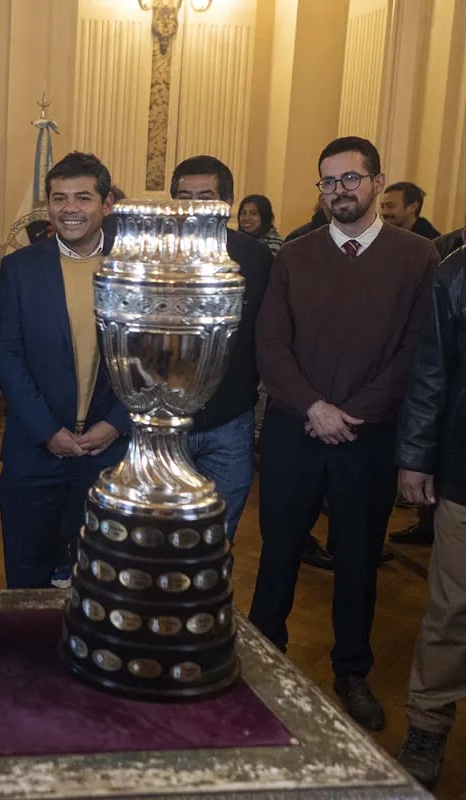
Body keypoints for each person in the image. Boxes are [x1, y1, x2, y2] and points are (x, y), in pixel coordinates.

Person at [250, 136, 438, 731]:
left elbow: (417, 350)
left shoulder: (417, 257)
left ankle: (352, 671)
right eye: (328, 182)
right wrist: (313, 406)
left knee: (357, 559)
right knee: (278, 550)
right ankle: (260, 660)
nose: (339, 191)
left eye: (351, 179)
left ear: (378, 183)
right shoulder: (295, 256)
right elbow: (270, 344)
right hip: (294, 430)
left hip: (369, 436)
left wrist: (352, 412)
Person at [0, 152, 129, 589]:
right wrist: (48, 432)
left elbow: (151, 360)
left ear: (107, 204)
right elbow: (8, 355)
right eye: (58, 198)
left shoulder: (136, 268)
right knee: (26, 573)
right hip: (35, 448)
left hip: (107, 451)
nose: (69, 208)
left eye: (83, 197)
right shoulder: (20, 268)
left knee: (102, 576)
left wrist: (115, 425)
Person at [392, 247, 466, 790]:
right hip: (464, 471)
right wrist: (416, 455)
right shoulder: (456, 272)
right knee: (452, 610)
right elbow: (431, 372)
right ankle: (429, 726)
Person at [170, 156, 272, 542]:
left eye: (205, 196)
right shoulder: (149, 254)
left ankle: (203, 605)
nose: (193, 206)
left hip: (229, 424)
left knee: (216, 540)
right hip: (164, 426)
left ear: (226, 202)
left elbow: (268, 336)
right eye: (184, 196)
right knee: (159, 536)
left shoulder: (256, 260)